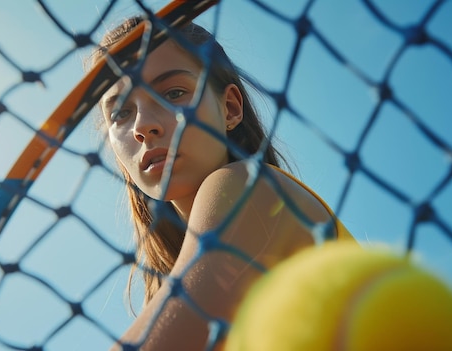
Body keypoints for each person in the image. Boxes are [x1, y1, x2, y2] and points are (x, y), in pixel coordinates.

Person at [89, 16, 354, 350]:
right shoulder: (178, 286)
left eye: (173, 92)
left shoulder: (246, 188)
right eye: (120, 114)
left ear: (229, 108)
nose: (143, 126)